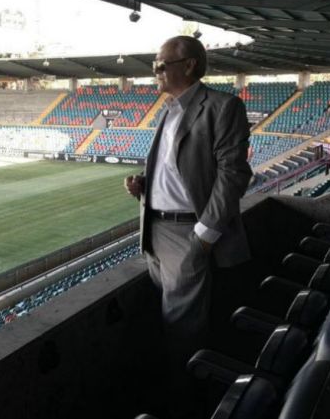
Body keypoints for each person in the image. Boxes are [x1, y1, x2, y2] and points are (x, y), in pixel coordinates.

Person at [123, 36, 253, 409]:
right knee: (172, 318)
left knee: (182, 326)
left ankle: (184, 402)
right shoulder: (167, 110)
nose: (155, 73)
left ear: (189, 65)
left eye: (161, 66)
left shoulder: (222, 107)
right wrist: (144, 188)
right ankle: (184, 389)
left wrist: (204, 236)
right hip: (155, 228)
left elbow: (233, 174)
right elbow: (180, 171)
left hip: (187, 233)